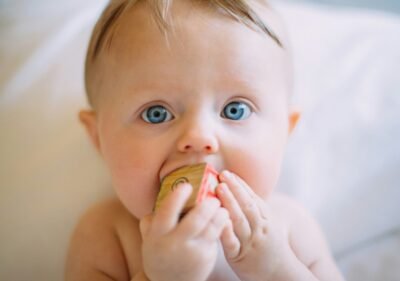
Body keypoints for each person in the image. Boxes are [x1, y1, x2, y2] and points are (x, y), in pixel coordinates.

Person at [65, 0, 344, 280]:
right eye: (157, 113)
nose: (199, 137)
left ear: (285, 131)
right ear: (98, 137)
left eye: (235, 110)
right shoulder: (106, 234)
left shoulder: (289, 226)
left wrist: (276, 270)